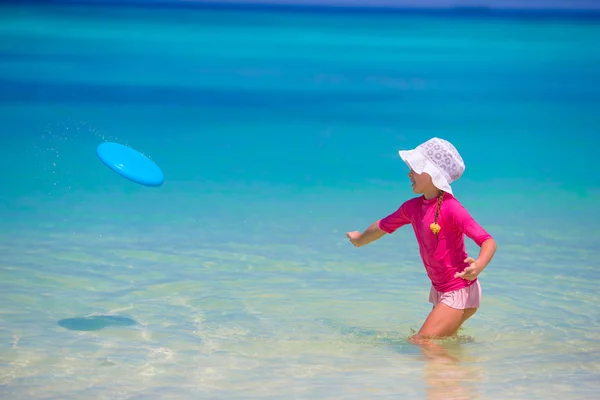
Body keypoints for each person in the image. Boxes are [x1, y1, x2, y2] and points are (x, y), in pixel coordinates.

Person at [346, 137, 497, 343]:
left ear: (432, 172)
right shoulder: (412, 208)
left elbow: (487, 240)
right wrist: (359, 239)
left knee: (422, 341)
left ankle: (458, 371)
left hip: (458, 288)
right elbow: (383, 226)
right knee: (442, 343)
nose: (409, 174)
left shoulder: (452, 209)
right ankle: (463, 370)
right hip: (442, 289)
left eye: (415, 168)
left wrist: (478, 265)